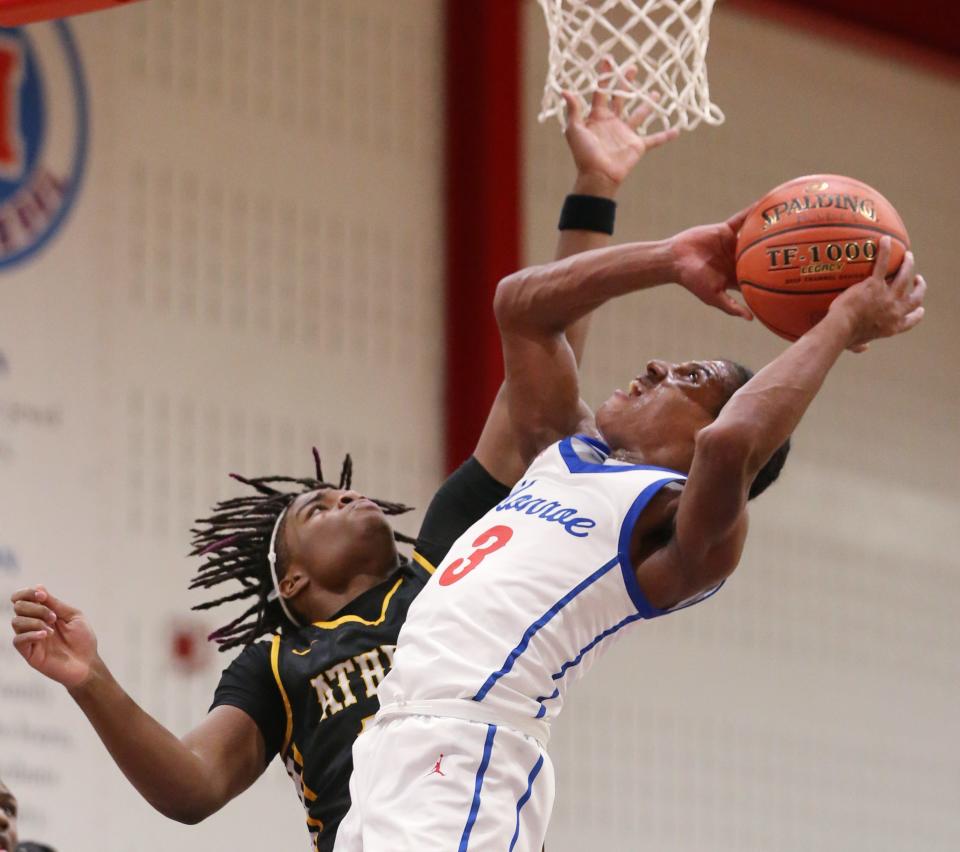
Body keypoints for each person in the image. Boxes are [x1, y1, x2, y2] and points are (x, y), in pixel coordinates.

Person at [9, 81, 678, 851]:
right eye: (317, 509)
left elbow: (541, 370)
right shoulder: (277, 663)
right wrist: (92, 679)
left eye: (338, 491)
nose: (345, 495)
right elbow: (192, 789)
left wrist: (594, 187)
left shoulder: (441, 566)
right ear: (293, 581)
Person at [334, 224, 926, 851]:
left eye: (690, 378)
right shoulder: (566, 450)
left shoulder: (674, 525)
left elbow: (730, 446)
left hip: (466, 747)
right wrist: (670, 259)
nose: (655, 367)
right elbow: (521, 307)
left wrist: (837, 324)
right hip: (387, 743)